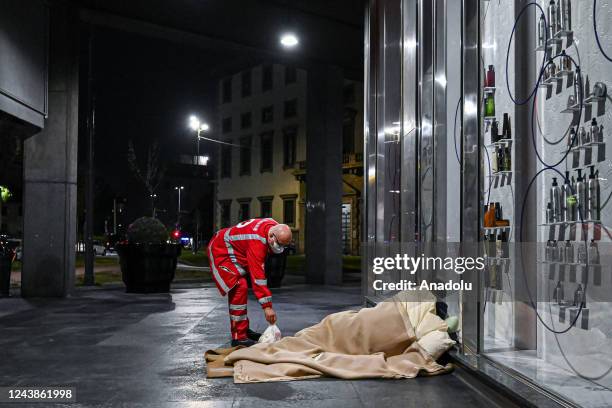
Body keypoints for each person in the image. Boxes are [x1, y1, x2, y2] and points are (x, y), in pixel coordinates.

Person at [207, 218, 292, 346]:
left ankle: (243, 330)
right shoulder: (257, 241)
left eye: (284, 245)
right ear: (271, 235)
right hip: (221, 250)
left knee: (241, 287)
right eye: (280, 244)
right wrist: (267, 307)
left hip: (231, 249)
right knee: (240, 286)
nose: (281, 248)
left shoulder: (273, 226)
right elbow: (258, 278)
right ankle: (238, 337)